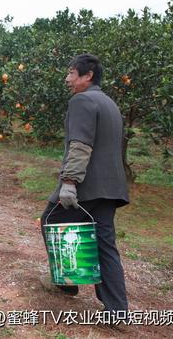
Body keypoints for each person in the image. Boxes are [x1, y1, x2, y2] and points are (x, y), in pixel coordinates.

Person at [39, 53, 129, 312]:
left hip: (87, 187)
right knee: (104, 244)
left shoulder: (82, 100)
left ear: (87, 75)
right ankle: (117, 310)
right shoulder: (109, 102)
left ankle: (69, 282)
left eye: (71, 73)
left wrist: (69, 182)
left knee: (51, 220)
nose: (67, 79)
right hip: (111, 187)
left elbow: (80, 145)